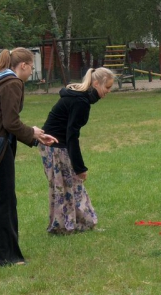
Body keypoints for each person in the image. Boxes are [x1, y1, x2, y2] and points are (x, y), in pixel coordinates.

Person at [0, 47, 58, 266]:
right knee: (6, 200)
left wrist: (32, 134)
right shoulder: (12, 83)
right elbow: (11, 122)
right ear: (23, 65)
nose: (31, 72)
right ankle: (6, 256)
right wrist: (33, 134)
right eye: (31, 66)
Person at [38, 67, 115, 234]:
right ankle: (62, 227)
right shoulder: (81, 102)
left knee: (73, 185)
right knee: (64, 185)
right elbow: (72, 136)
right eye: (107, 87)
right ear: (96, 83)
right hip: (54, 146)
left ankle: (81, 223)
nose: (108, 91)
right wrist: (80, 168)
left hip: (57, 144)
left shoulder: (81, 99)